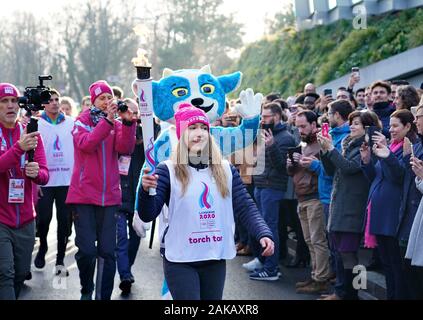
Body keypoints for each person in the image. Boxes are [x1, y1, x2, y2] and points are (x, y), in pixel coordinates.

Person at [138, 103, 274, 300]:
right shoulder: (166, 170)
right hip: (181, 259)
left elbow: (245, 205)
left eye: (203, 128)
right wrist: (145, 191)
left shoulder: (226, 169)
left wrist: (263, 232)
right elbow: (148, 213)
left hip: (213, 256)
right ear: (181, 135)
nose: (199, 133)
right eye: (192, 128)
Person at [66, 80, 136, 300]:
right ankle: (87, 288)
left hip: (110, 198)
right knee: (87, 251)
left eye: (109, 97)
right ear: (94, 101)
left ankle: (102, 296)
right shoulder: (82, 121)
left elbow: (125, 149)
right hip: (84, 196)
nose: (107, 101)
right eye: (102, 98)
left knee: (107, 252)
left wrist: (127, 124)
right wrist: (107, 121)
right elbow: (87, 144)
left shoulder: (114, 123)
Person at [318, 110, 379, 300]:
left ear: (367, 127)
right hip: (340, 206)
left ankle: (353, 295)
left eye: (357, 124)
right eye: (351, 122)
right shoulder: (347, 144)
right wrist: (324, 151)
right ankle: (341, 292)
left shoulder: (367, 146)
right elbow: (330, 170)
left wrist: (331, 150)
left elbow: (350, 168)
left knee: (351, 256)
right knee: (341, 254)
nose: (352, 126)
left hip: (354, 208)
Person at [0, 83, 49, 299]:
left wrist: (36, 173)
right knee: (5, 274)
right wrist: (19, 148)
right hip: (1, 220)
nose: (10, 106)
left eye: (14, 101)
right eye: (4, 101)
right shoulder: (23, 140)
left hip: (26, 220)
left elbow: (45, 175)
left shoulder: (30, 132)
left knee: (20, 274)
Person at [360, 109, 416, 300]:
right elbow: (375, 178)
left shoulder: (410, 147)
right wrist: (367, 161)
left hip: (394, 215)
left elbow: (400, 177)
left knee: (397, 267)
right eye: (389, 125)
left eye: (395, 126)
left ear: (408, 126)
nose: (390, 129)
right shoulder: (391, 145)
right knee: (387, 265)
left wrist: (387, 156)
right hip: (379, 213)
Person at [115, 98, 159, 295]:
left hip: (137, 194)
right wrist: (127, 122)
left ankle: (128, 268)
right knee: (120, 239)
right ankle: (124, 274)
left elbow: (154, 135)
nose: (132, 115)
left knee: (134, 238)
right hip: (117, 193)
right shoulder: (117, 128)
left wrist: (142, 118)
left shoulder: (147, 129)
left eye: (135, 111)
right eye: (129, 111)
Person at [248, 102, 295, 280]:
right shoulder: (265, 134)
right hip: (261, 185)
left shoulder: (285, 138)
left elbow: (283, 167)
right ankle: (262, 260)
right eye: (262, 116)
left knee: (269, 227)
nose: (263, 119)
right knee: (260, 226)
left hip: (273, 187)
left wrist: (272, 145)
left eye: (266, 116)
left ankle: (271, 268)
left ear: (276, 117)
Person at [288, 110, 331, 294]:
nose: (300, 130)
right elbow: (292, 173)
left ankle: (321, 279)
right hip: (302, 197)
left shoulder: (323, 143)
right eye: (298, 126)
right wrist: (291, 163)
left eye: (303, 126)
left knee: (317, 240)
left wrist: (312, 164)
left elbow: (330, 172)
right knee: (309, 241)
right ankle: (315, 275)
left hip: (315, 197)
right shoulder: (302, 143)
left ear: (314, 124)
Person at [34, 89, 75, 276]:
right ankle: (42, 245)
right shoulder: (37, 124)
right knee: (43, 220)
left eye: (57, 99)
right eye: (50, 100)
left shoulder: (71, 123)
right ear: (43, 103)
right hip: (45, 180)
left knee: (65, 222)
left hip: (66, 181)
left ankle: (59, 258)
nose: (55, 103)